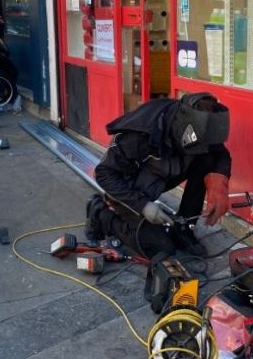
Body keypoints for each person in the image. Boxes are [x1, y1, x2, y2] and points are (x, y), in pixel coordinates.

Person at [86, 92, 231, 258]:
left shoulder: (199, 125)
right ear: (181, 129)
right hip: (128, 185)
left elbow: (220, 154)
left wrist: (220, 186)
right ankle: (101, 214)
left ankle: (185, 225)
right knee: (161, 248)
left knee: (206, 159)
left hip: (161, 174)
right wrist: (143, 205)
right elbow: (104, 174)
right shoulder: (140, 134)